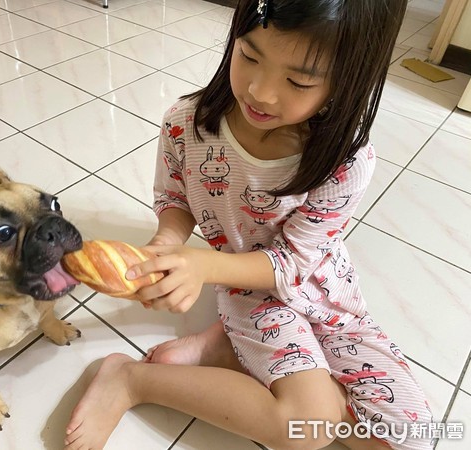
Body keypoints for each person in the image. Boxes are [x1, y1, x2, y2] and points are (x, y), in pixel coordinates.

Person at [64, 1, 434, 449]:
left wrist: (199, 266)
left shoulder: (346, 160)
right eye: (249, 56)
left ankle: (231, 352)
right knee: (306, 429)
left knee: (412, 437)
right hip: (248, 287)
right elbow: (174, 197)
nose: (260, 91)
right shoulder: (187, 123)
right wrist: (167, 243)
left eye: (297, 81)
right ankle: (131, 379)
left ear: (345, 81)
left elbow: (296, 261)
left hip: (325, 288)